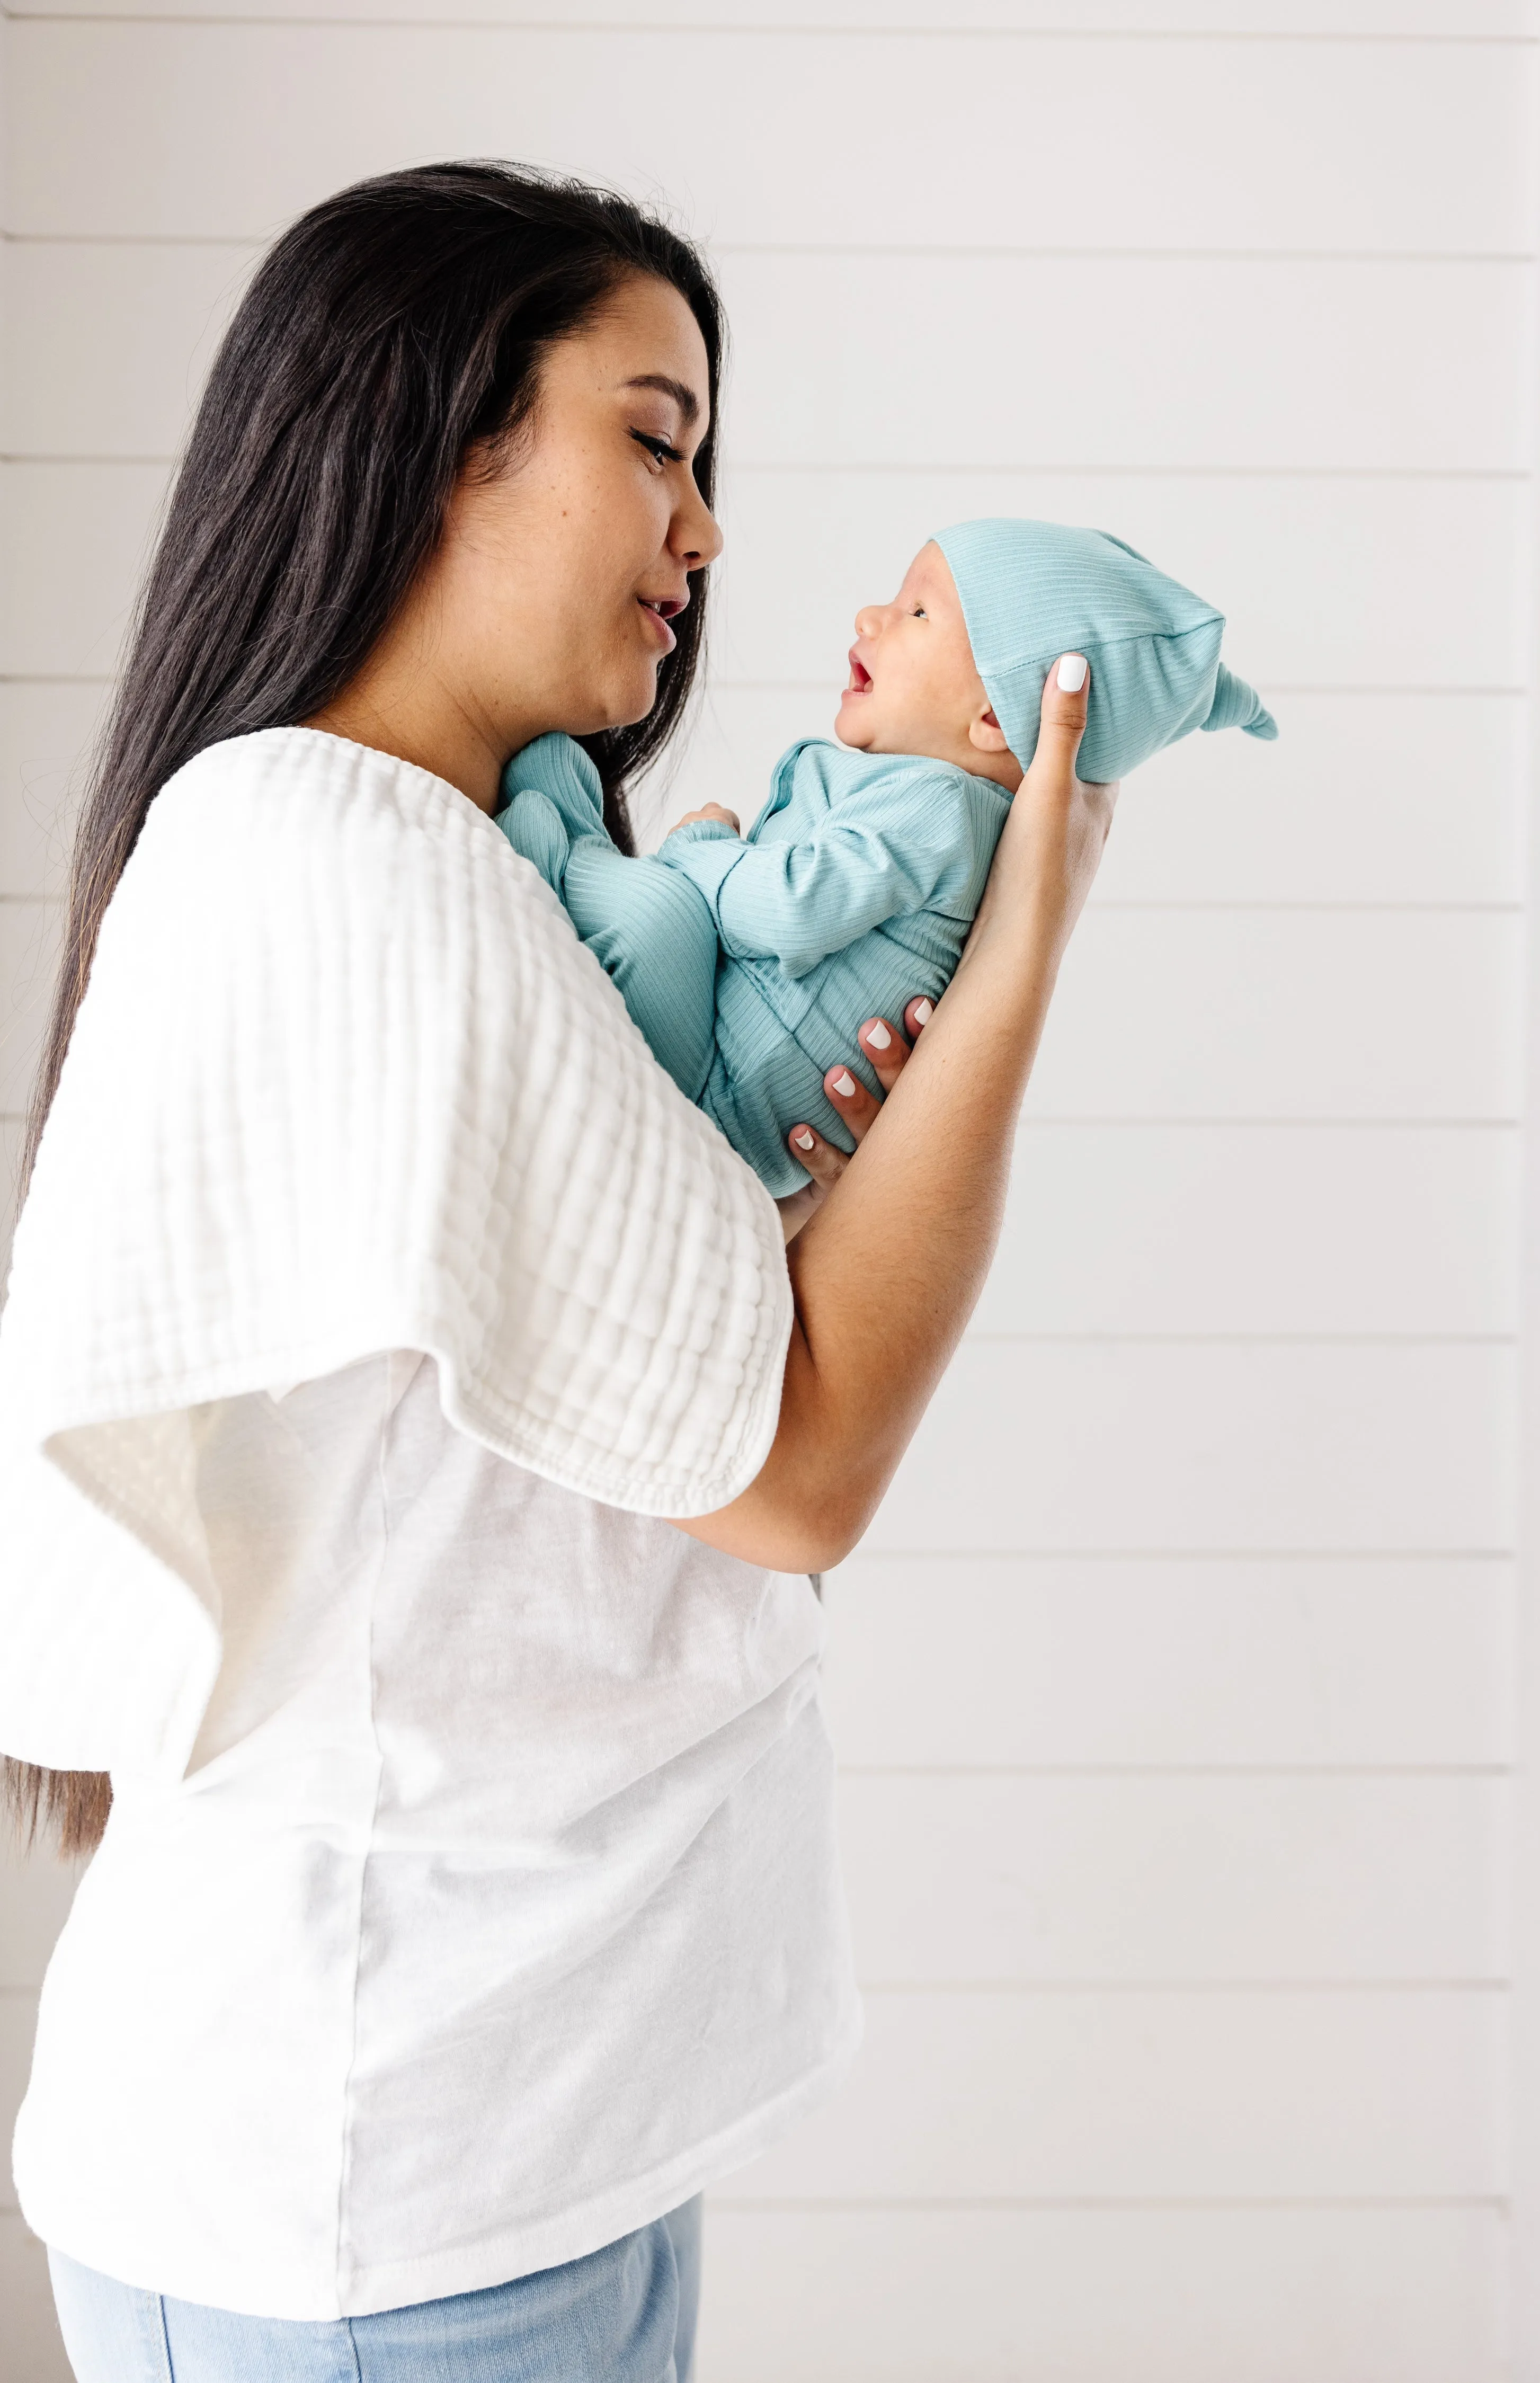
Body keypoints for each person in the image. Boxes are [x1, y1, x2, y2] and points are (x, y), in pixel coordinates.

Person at [0, 163, 1117, 2382]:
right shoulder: (368, 865)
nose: (705, 529)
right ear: (444, 432)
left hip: (437, 2130)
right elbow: (790, 1460)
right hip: (387, 2180)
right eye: (654, 434)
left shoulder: (436, 868)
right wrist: (1022, 946)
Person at [497, 519, 1274, 1192]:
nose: (873, 615)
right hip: (717, 1033)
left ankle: (537, 860)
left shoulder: (938, 812)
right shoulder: (927, 800)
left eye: (917, 610)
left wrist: (701, 850)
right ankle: (554, 839)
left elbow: (790, 910)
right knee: (563, 766)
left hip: (713, 1091)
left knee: (657, 910)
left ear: (994, 719)